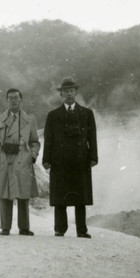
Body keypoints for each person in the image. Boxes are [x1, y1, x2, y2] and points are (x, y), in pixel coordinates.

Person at [42, 78, 98, 238]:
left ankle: (82, 230)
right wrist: (46, 159)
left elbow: (92, 137)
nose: (69, 94)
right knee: (60, 196)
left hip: (80, 160)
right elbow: (49, 139)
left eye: (71, 90)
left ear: (76, 92)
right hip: (60, 160)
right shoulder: (53, 115)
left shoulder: (87, 113)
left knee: (81, 196)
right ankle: (60, 229)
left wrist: (93, 156)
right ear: (61, 94)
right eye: (65, 91)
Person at [0, 88, 40, 236]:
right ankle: (5, 227)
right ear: (7, 100)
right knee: (5, 193)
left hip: (23, 159)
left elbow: (35, 141)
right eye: (10, 98)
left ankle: (24, 228)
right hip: (5, 158)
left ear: (20, 99)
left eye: (16, 98)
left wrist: (33, 156)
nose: (13, 100)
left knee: (23, 193)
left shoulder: (30, 119)